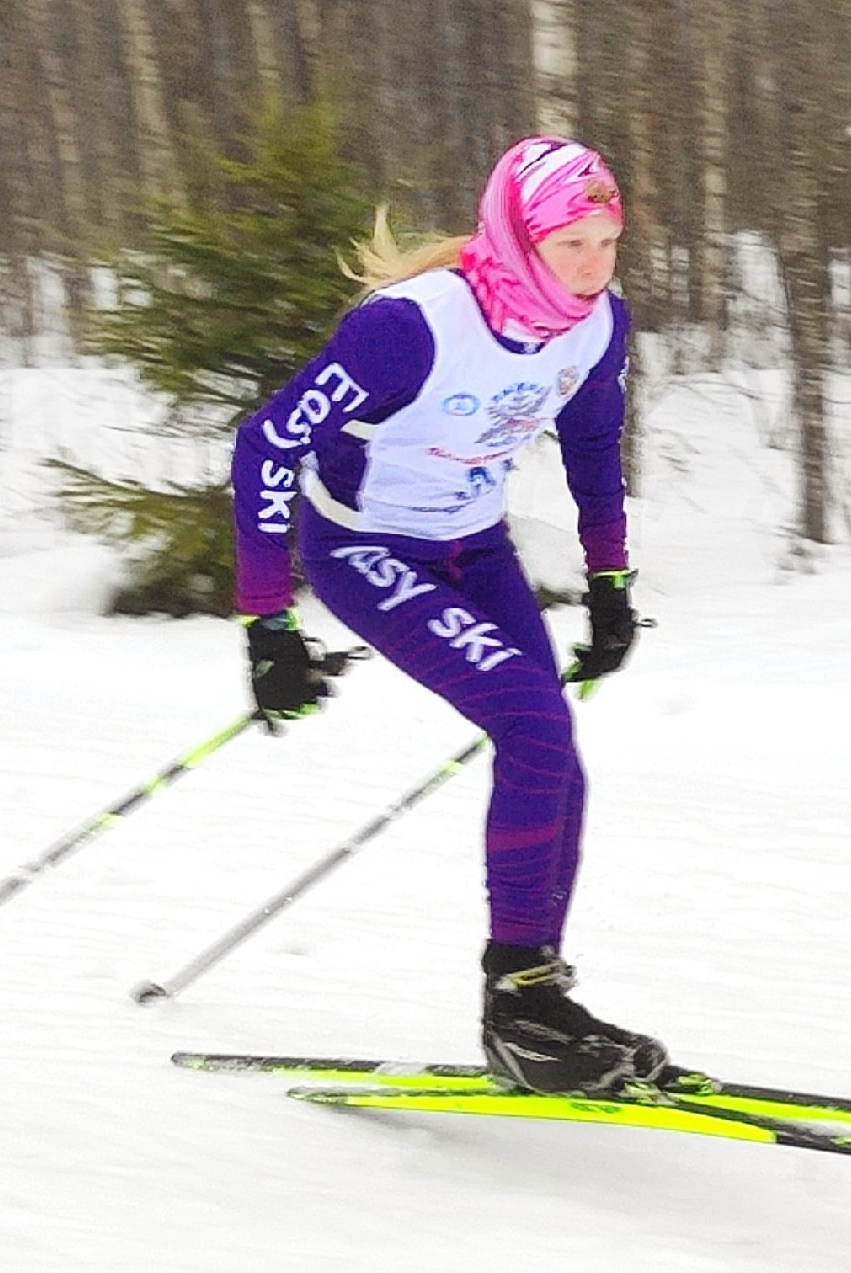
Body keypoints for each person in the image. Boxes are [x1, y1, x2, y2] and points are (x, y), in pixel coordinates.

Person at [227, 135, 660, 1096]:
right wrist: (268, 624)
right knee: (536, 722)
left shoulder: (595, 326)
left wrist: (610, 583)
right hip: (365, 550)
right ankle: (512, 1003)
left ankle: (537, 993)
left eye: (607, 241)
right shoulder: (415, 325)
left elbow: (594, 450)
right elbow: (266, 447)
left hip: (477, 545)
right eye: (571, 246)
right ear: (518, 238)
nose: (592, 268)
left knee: (553, 750)